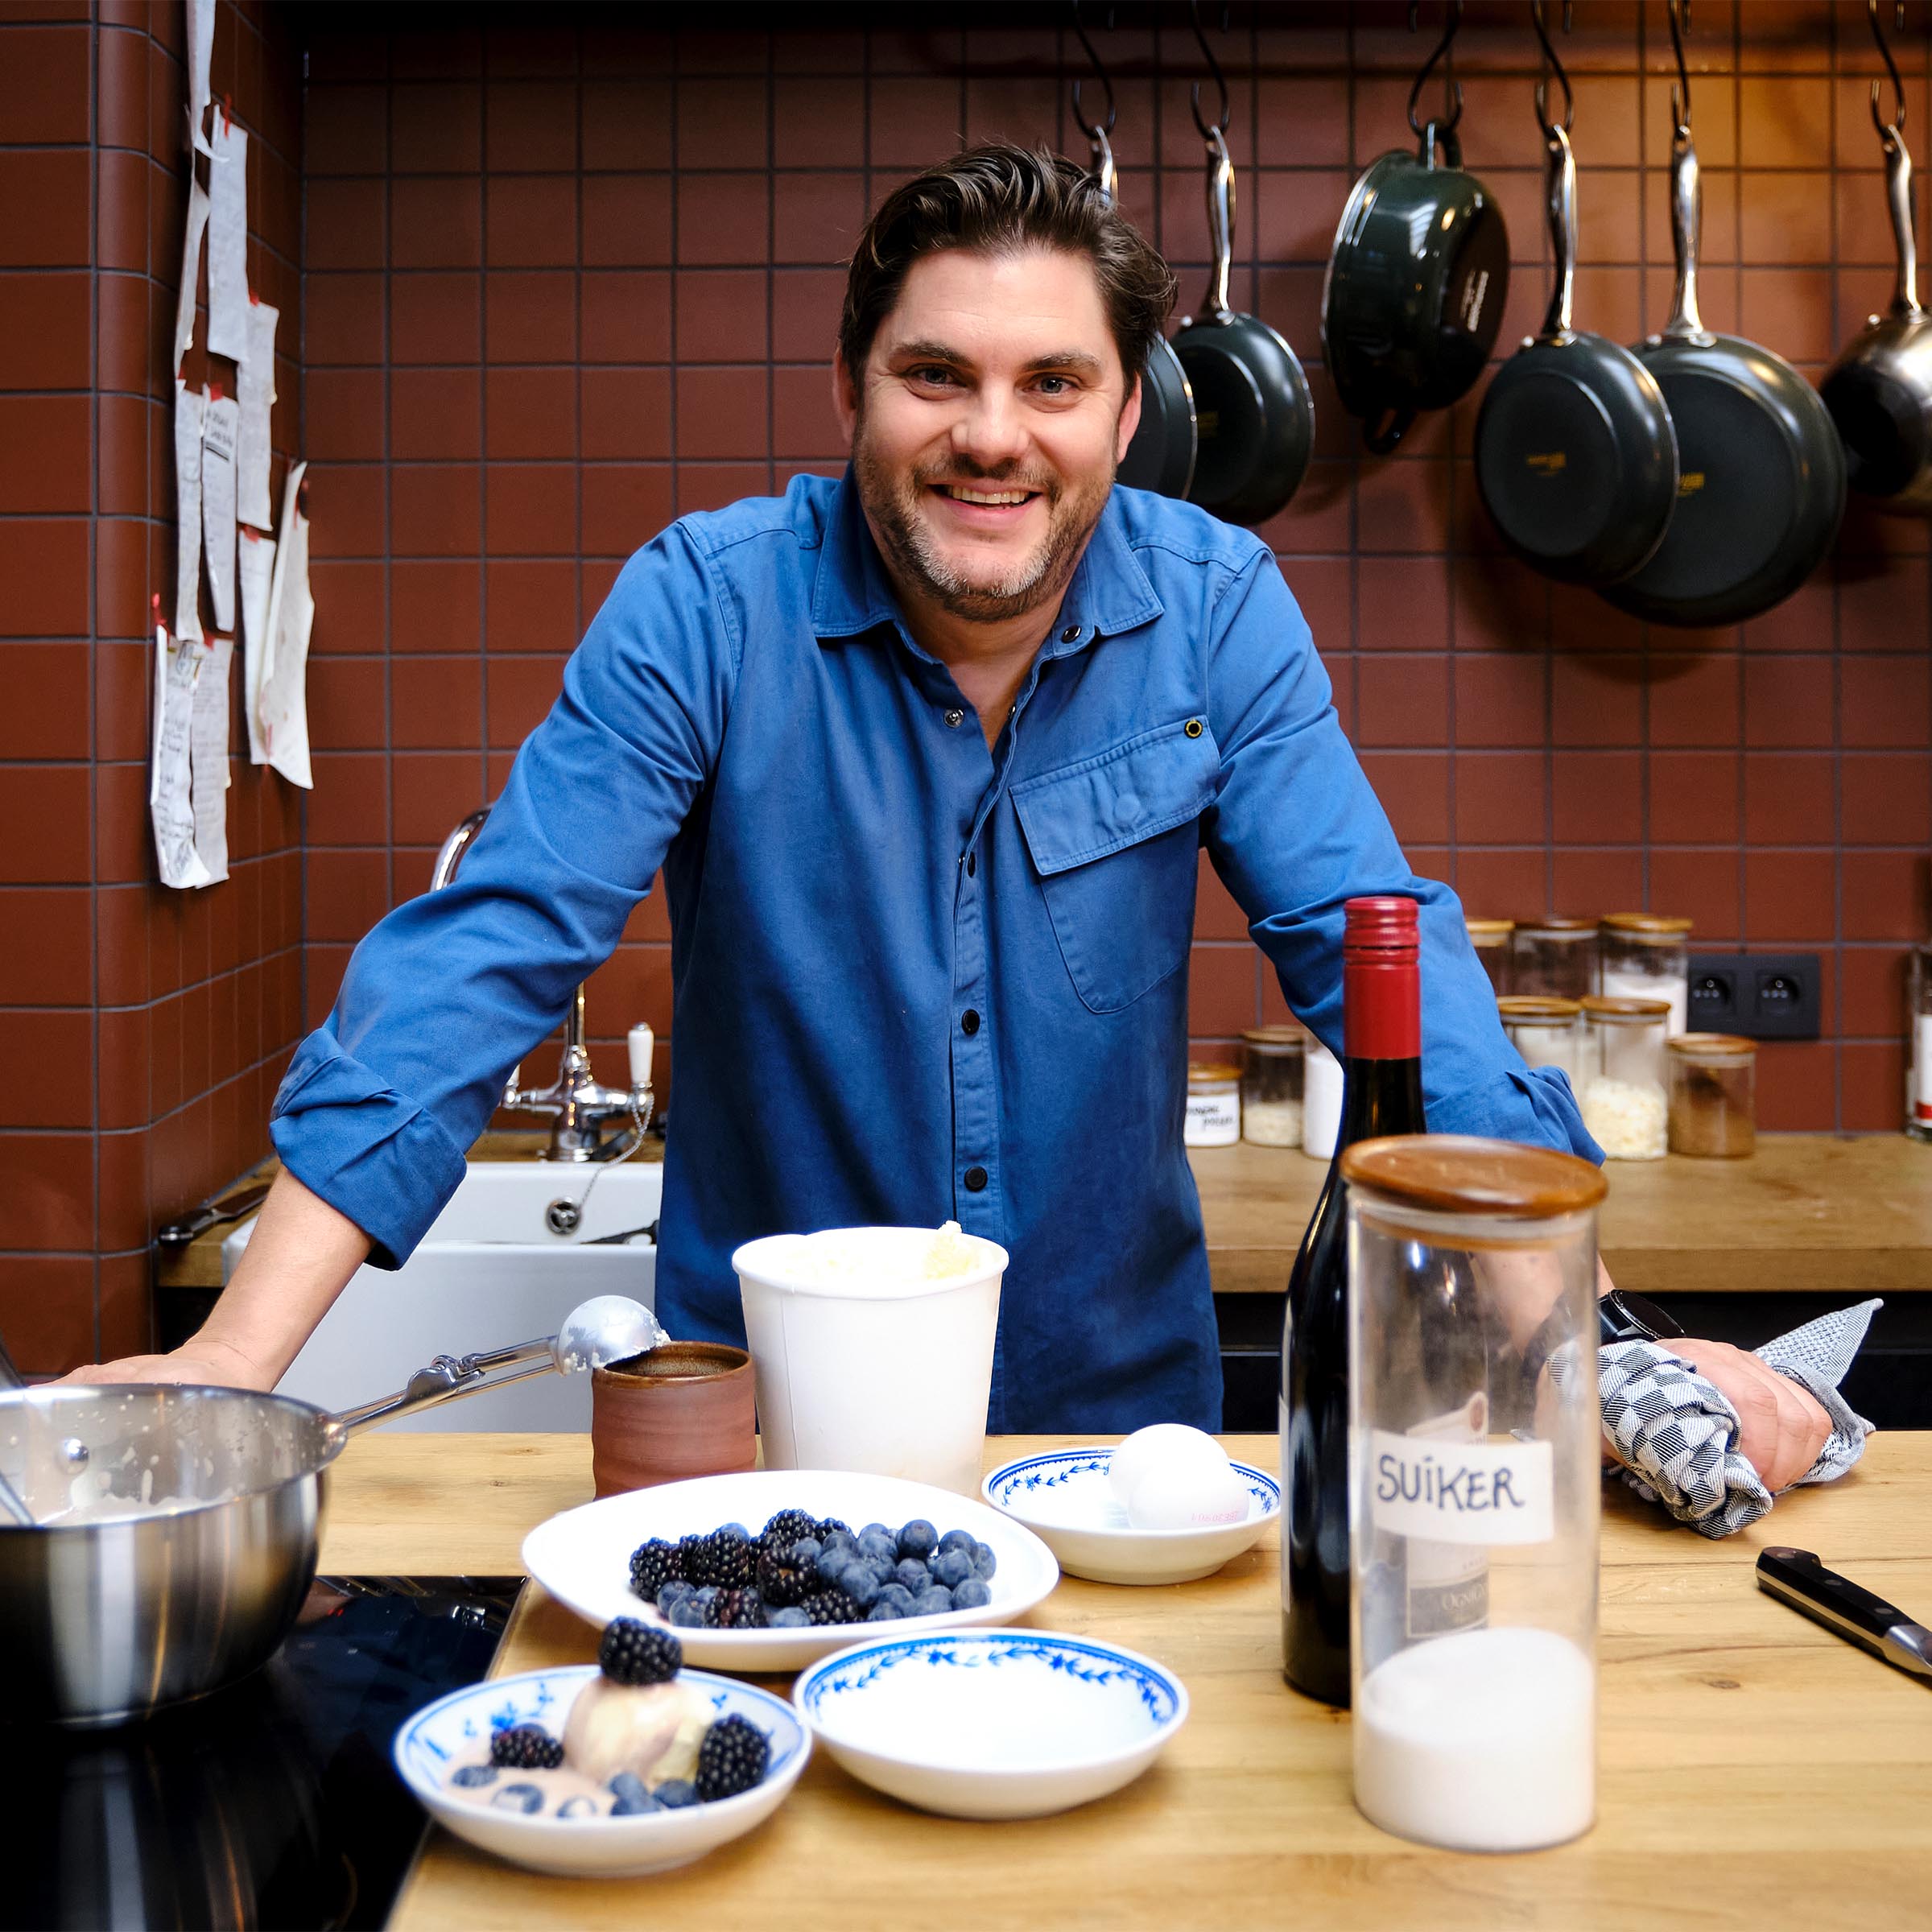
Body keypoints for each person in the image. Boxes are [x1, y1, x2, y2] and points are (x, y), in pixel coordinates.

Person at [65, 146, 1829, 1484]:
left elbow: (1372, 951)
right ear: (856, 393)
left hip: (1108, 1455)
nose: (995, 437)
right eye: (939, 377)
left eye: (1052, 383)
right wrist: (235, 1355)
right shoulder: (707, 605)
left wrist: (1591, 1335)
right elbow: (498, 947)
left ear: (1127, 411)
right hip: (761, 1444)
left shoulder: (1215, 607)